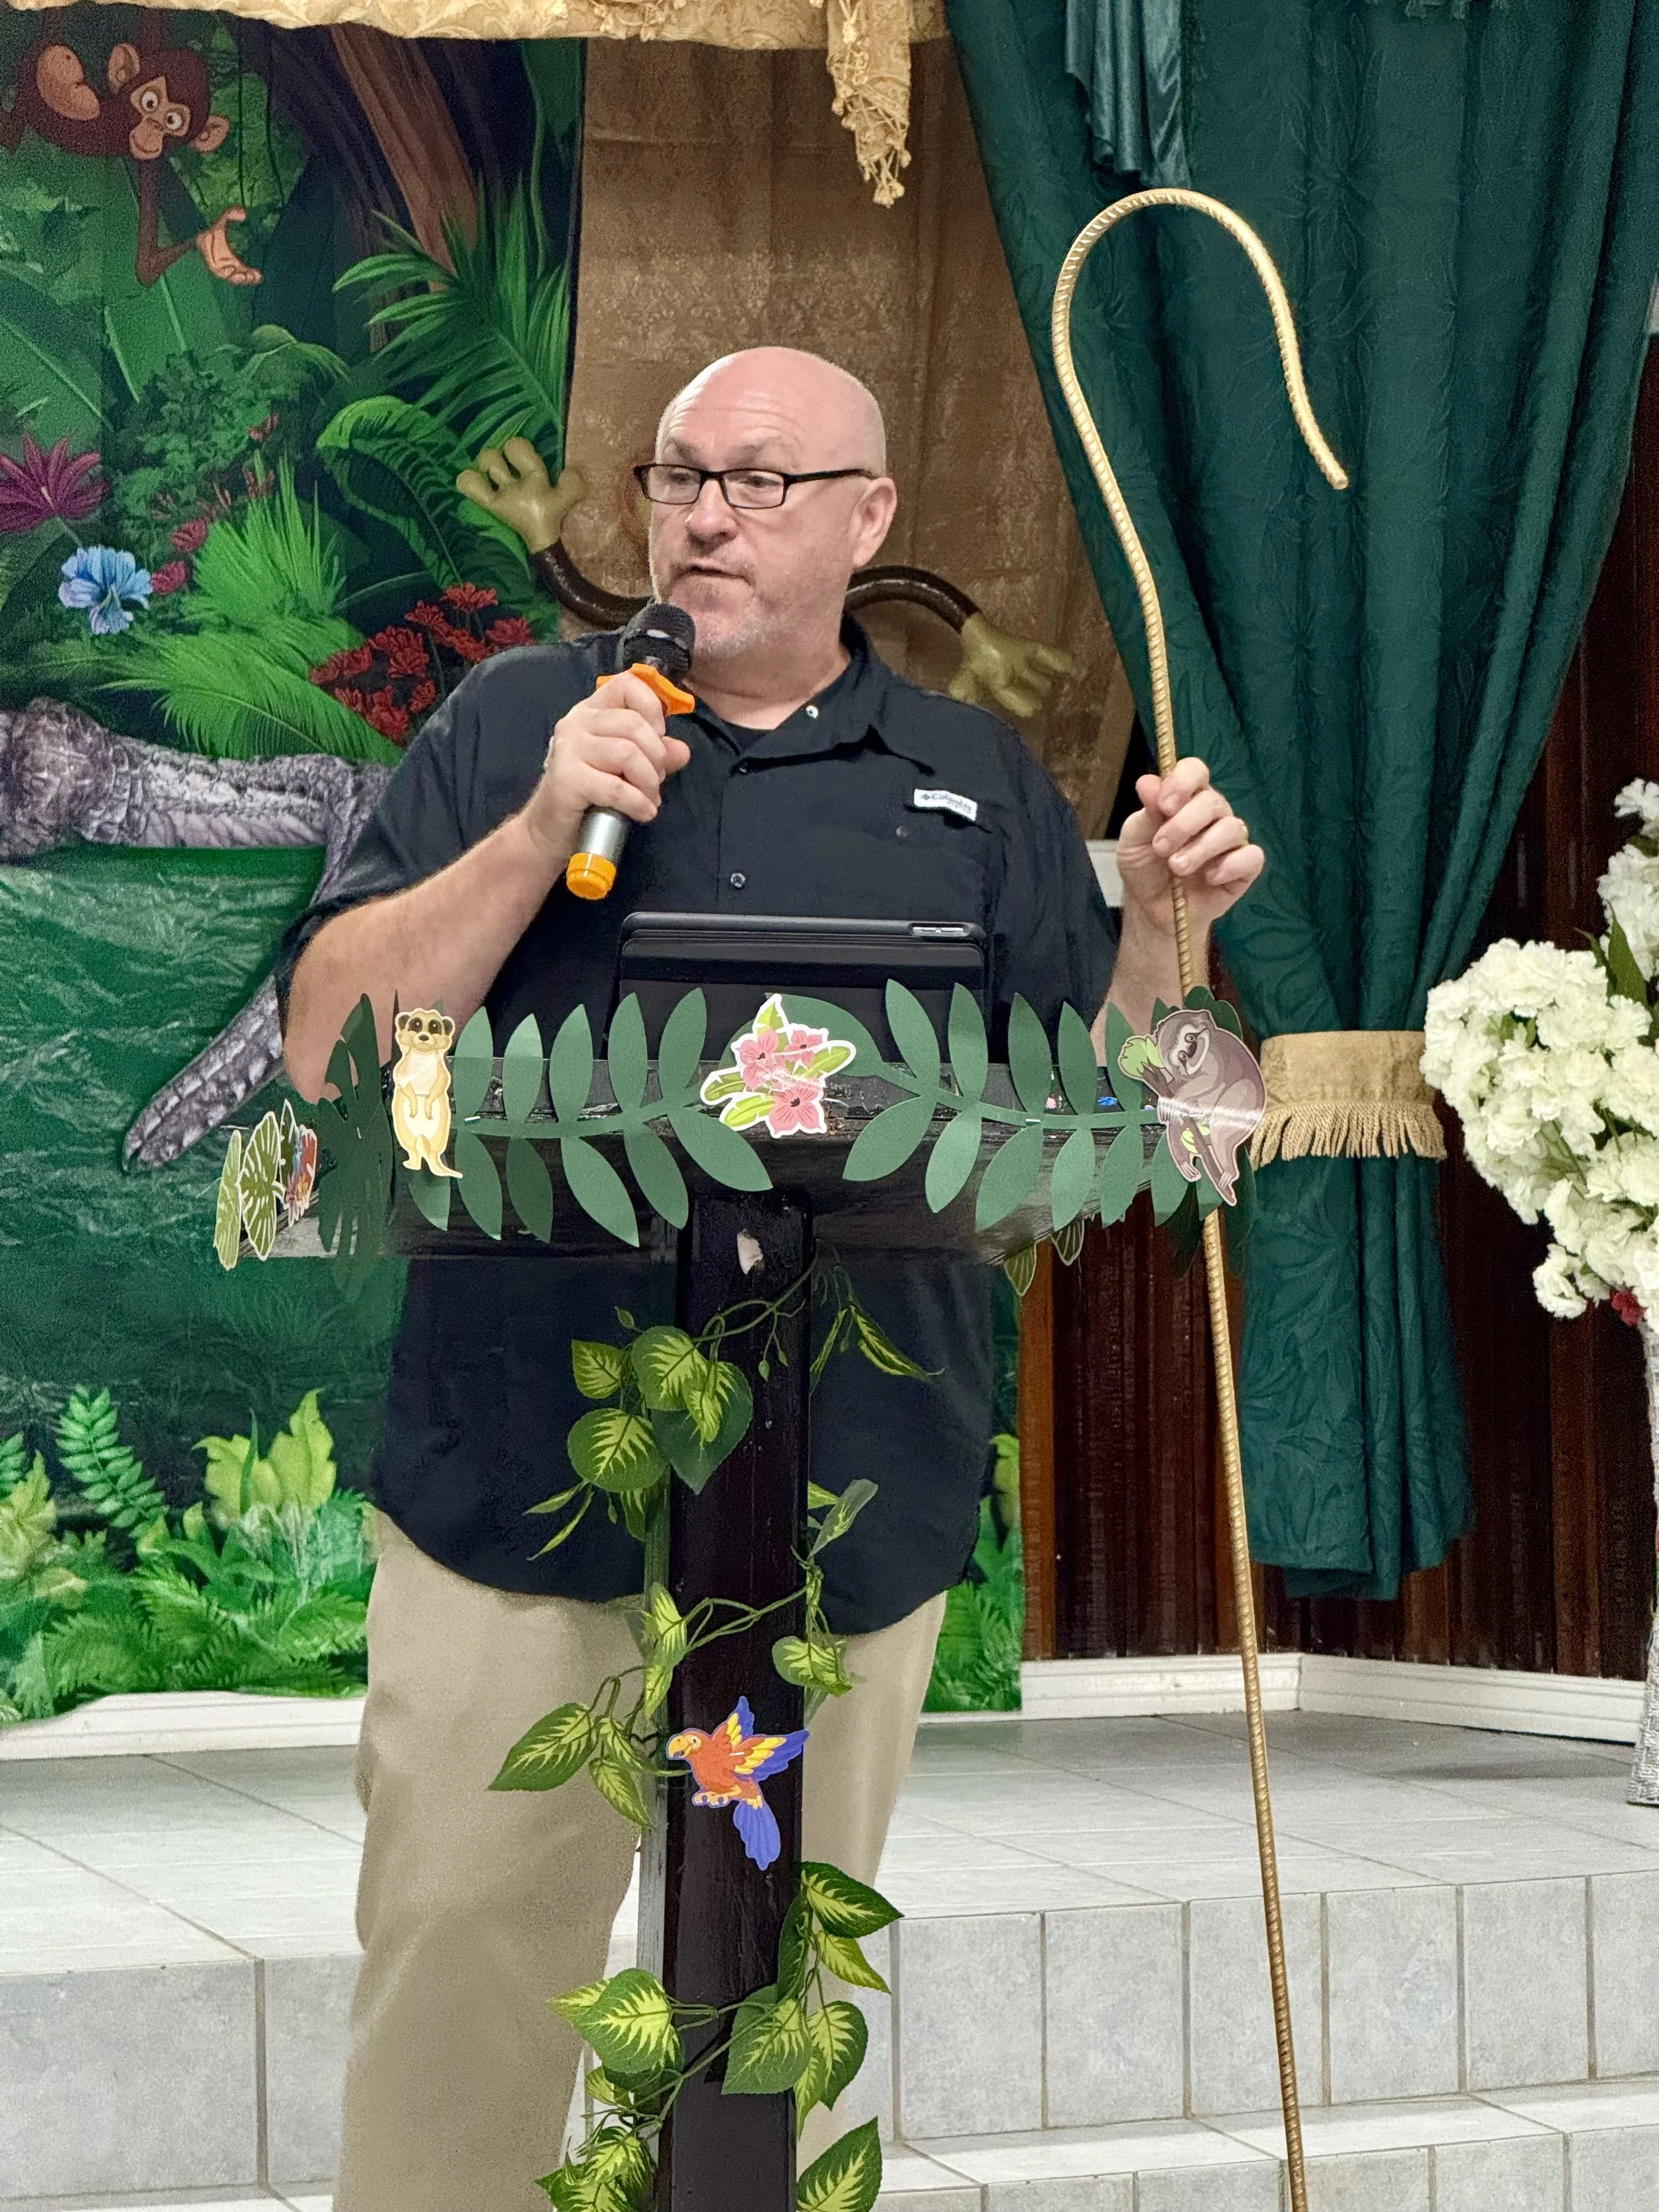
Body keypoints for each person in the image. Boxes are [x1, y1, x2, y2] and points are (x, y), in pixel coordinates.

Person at [279, 346, 1263, 2212]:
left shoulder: (970, 779)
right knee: (462, 1978)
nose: (705, 514)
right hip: (520, 1499)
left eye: (756, 479)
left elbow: (1096, 1130)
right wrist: (532, 824)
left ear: (867, 520)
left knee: (763, 2006)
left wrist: (1157, 938)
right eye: (676, 477)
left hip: (845, 1504)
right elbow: (333, 1030)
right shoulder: (513, 725)